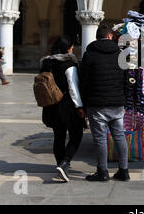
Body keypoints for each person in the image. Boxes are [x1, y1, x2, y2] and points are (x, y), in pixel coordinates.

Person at [81, 25, 130, 182]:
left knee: (100, 139)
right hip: (117, 102)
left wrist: (84, 103)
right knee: (120, 136)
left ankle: (102, 171)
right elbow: (126, 81)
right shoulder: (121, 54)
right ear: (110, 37)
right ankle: (124, 170)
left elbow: (84, 82)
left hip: (97, 103)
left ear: (97, 37)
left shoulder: (89, 54)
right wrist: (125, 101)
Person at [40, 36, 86, 182]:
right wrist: (79, 106)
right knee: (76, 135)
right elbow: (73, 88)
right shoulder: (69, 64)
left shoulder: (46, 63)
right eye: (71, 47)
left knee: (58, 136)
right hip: (67, 106)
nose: (73, 49)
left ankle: (60, 164)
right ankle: (65, 163)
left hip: (51, 105)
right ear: (67, 48)